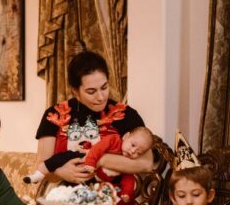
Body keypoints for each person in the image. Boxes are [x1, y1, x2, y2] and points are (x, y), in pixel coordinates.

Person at [26, 51, 154, 189]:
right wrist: (62, 172)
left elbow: (146, 163)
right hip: (69, 197)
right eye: (91, 91)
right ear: (75, 91)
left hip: (114, 199)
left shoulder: (125, 114)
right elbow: (42, 165)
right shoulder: (55, 115)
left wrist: (99, 158)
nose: (101, 97)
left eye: (104, 87)